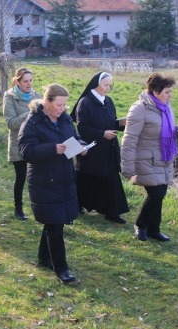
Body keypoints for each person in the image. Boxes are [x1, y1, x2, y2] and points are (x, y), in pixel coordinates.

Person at [18, 83, 87, 284]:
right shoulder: (33, 123)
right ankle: (61, 269)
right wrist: (52, 149)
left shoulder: (65, 120)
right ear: (46, 102)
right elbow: (26, 152)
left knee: (53, 221)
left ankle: (43, 258)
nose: (63, 109)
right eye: (59, 105)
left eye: (65, 105)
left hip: (65, 178)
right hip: (44, 180)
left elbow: (75, 137)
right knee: (55, 224)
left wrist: (81, 146)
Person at [121, 73, 178, 242]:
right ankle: (140, 224)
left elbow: (166, 132)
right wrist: (127, 167)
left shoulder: (165, 107)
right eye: (167, 92)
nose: (170, 95)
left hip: (164, 157)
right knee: (156, 194)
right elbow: (129, 140)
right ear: (155, 91)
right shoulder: (139, 109)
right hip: (145, 158)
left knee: (161, 194)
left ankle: (154, 229)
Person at [70, 72, 129, 224]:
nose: (108, 88)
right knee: (87, 179)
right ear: (96, 84)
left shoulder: (108, 101)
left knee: (111, 180)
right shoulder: (85, 102)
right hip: (91, 150)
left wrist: (118, 124)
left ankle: (112, 212)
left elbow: (110, 122)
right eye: (105, 85)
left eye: (110, 85)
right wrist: (102, 134)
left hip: (108, 150)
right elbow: (82, 129)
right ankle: (78, 204)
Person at [3, 67, 41, 220]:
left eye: (31, 80)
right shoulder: (9, 96)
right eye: (25, 81)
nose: (29, 84)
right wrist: (30, 112)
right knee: (21, 177)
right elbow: (11, 123)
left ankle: (38, 207)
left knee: (37, 177)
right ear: (17, 81)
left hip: (35, 143)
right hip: (18, 143)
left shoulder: (36, 95)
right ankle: (18, 208)